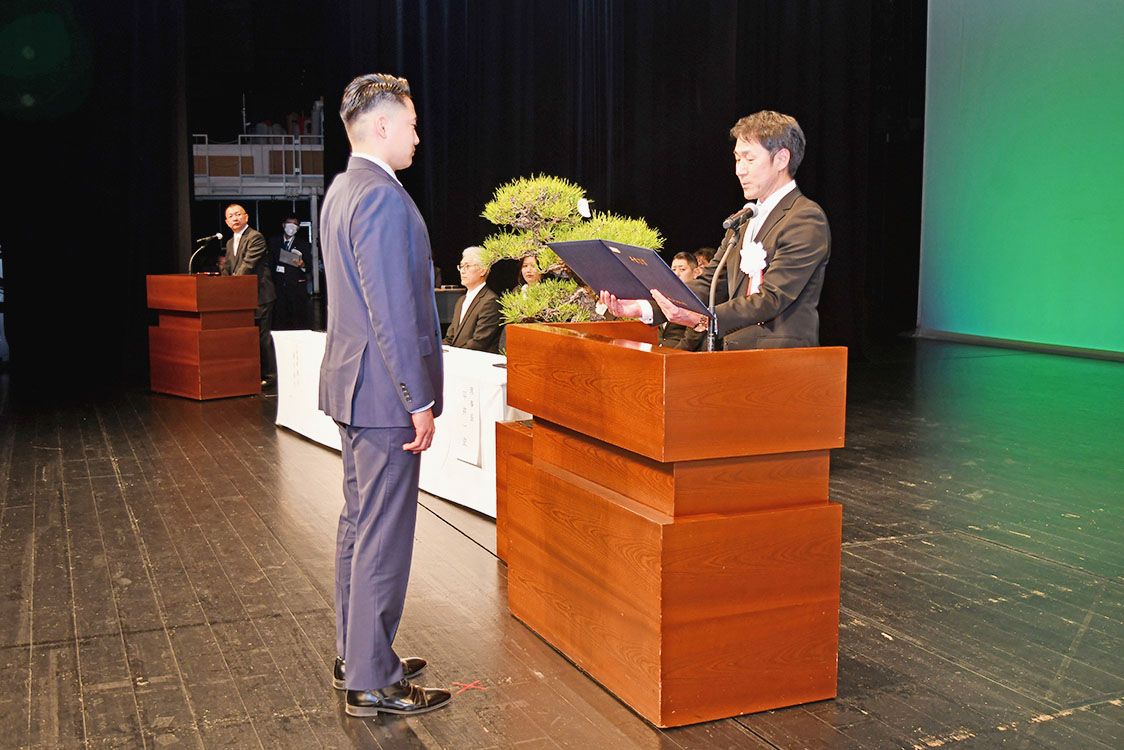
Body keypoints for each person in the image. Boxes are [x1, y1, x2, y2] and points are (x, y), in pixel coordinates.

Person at [317, 72, 451, 717]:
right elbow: (392, 310)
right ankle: (373, 680)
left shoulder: (342, 190)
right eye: (412, 124)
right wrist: (415, 398)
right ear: (381, 125)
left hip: (354, 387)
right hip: (383, 396)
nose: (418, 137)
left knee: (359, 523)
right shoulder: (381, 198)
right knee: (382, 535)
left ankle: (358, 652)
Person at [601, 110, 830, 350]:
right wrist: (645, 306)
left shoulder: (804, 218)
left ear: (782, 159)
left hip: (782, 360)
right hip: (735, 356)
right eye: (737, 159)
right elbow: (709, 283)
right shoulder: (743, 221)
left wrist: (703, 319)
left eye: (749, 159)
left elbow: (772, 298)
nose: (739, 170)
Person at [221, 203, 277, 383]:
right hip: (243, 297)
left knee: (262, 336)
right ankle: (252, 373)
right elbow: (228, 267)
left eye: (238, 214)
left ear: (246, 217)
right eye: (231, 216)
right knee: (248, 337)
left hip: (260, 294)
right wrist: (220, 285)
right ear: (227, 222)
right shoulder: (230, 242)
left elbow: (247, 265)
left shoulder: (255, 237)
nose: (235, 218)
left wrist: (232, 283)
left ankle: (269, 375)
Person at [443, 246, 502, 353]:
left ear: (483, 270)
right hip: (458, 357)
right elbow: (450, 338)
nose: (462, 271)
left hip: (475, 359)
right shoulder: (461, 300)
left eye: (467, 266)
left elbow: (479, 342)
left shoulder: (490, 301)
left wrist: (453, 355)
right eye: (461, 266)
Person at [268, 215, 311, 330]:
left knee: (298, 321)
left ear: (298, 228)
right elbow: (270, 263)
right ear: (283, 225)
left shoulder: (304, 244)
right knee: (279, 321)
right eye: (289, 223)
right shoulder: (274, 242)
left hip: (296, 288)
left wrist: (302, 265)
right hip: (278, 288)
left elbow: (309, 266)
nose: (291, 227)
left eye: (295, 224)